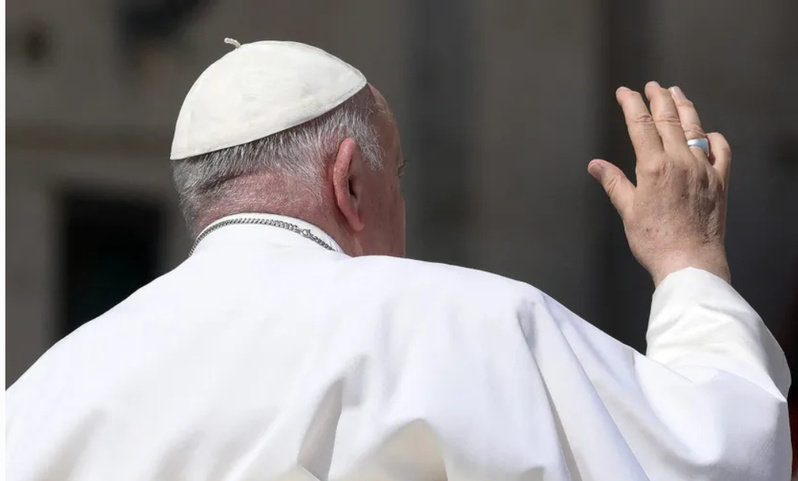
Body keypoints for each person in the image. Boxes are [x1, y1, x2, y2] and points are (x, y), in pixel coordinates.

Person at [6, 40, 790, 480]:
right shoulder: (465, 324)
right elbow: (722, 457)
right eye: (397, 179)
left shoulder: (43, 394)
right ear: (349, 179)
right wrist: (689, 259)